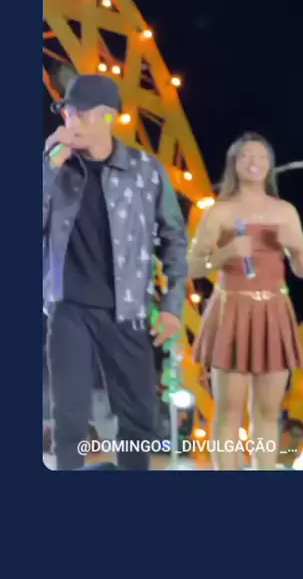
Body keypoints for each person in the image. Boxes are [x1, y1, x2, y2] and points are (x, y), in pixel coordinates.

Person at [43, 74, 188, 470]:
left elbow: (175, 239)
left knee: (138, 418)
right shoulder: (57, 168)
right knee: (70, 418)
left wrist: (173, 307)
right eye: (67, 113)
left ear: (107, 117)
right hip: (69, 308)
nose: (71, 121)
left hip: (129, 311)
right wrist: (49, 164)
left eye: (80, 113)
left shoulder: (146, 171)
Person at [189, 133, 303, 471]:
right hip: (232, 312)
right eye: (245, 155)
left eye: (261, 155)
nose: (253, 161)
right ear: (234, 164)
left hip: (274, 313)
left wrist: (296, 247)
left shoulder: (285, 211)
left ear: (270, 164)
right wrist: (225, 254)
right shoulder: (220, 211)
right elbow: (191, 266)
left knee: (268, 411)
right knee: (229, 410)